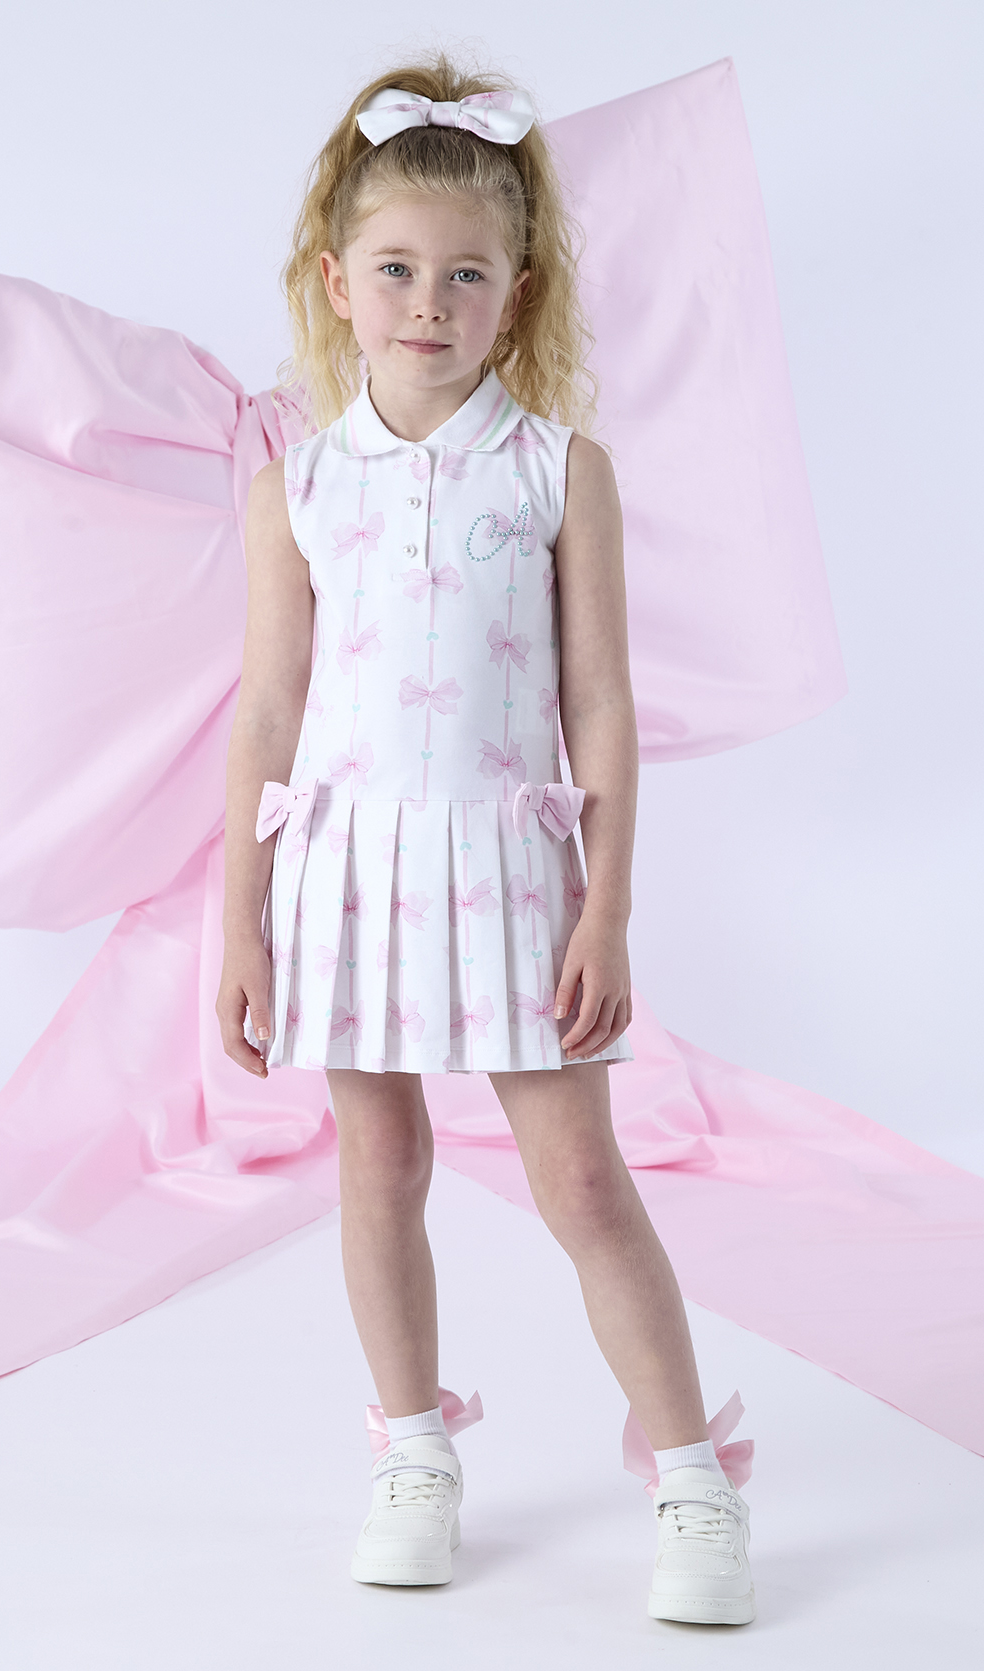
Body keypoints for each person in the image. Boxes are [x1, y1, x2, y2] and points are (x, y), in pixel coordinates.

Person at [213, 56, 754, 1626]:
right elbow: (267, 713)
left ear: (517, 295)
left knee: (580, 1178)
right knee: (379, 1163)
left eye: (466, 274)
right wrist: (242, 920)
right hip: (348, 872)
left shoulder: (558, 472)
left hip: (513, 871)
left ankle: (694, 1479)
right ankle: (412, 1452)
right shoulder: (299, 488)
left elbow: (602, 703)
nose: (428, 303)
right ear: (338, 282)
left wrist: (608, 908)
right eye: (395, 269)